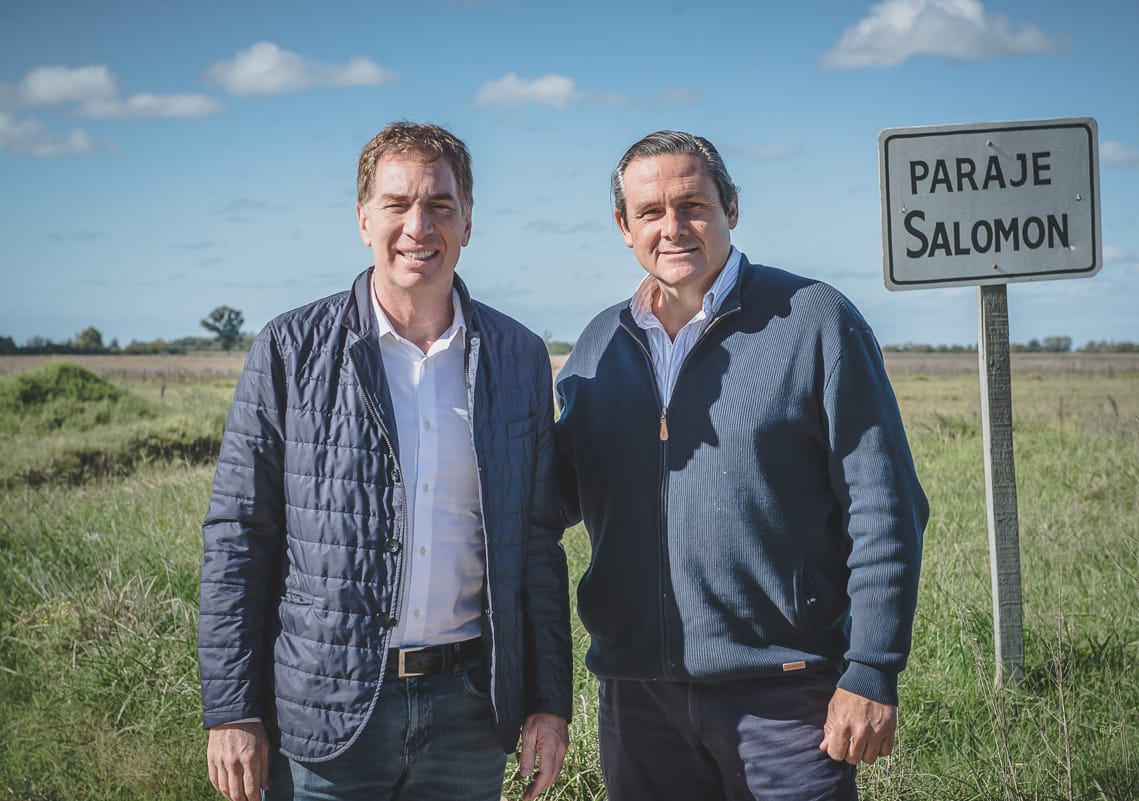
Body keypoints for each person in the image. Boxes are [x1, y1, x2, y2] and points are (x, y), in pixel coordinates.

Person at [199, 121, 571, 801]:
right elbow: (239, 538)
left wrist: (549, 702)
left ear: (467, 222)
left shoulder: (518, 357)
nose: (417, 227)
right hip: (327, 711)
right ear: (363, 218)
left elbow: (537, 545)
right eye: (397, 204)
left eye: (439, 205)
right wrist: (232, 708)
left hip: (470, 713)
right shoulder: (290, 349)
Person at [554, 130, 928, 801]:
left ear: (731, 206)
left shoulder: (815, 320)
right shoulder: (600, 344)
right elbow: (550, 498)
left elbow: (885, 505)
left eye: (693, 205)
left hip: (785, 696)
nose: (673, 227)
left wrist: (872, 668)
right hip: (639, 700)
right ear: (623, 226)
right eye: (650, 212)